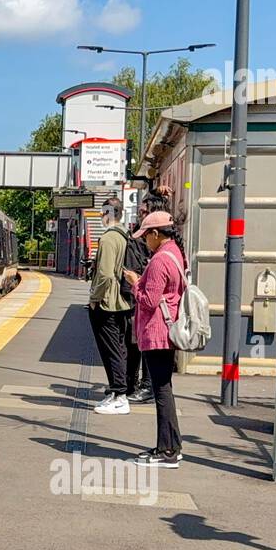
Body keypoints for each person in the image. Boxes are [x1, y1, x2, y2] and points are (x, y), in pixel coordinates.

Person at [123, 210, 187, 467]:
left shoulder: (160, 260)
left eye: (145, 236)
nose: (143, 242)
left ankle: (167, 452)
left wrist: (135, 282)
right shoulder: (175, 253)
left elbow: (149, 300)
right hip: (167, 330)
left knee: (161, 392)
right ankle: (171, 445)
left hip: (158, 332)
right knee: (165, 390)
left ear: (155, 234)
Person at [89, 203, 139, 415]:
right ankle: (117, 392)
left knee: (111, 349)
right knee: (119, 346)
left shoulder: (109, 238)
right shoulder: (125, 235)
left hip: (108, 303)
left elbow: (106, 274)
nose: (101, 216)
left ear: (109, 214)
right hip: (123, 301)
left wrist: (94, 298)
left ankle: (119, 395)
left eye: (102, 212)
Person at [124, 187, 172, 404]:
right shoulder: (144, 237)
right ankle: (133, 384)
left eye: (144, 212)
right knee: (134, 343)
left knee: (141, 345)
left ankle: (145, 386)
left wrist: (135, 283)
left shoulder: (159, 248)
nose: (140, 214)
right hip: (141, 298)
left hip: (148, 300)